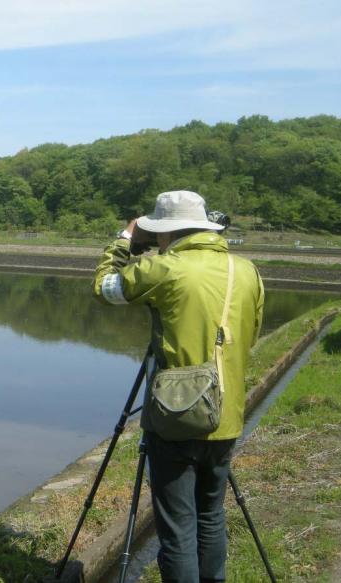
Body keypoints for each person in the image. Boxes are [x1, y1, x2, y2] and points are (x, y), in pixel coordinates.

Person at [92, 190, 264, 583]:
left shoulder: (163, 269)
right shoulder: (246, 270)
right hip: (227, 412)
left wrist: (124, 239)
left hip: (175, 416)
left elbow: (103, 287)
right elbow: (250, 334)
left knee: (178, 525)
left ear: (166, 232)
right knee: (210, 514)